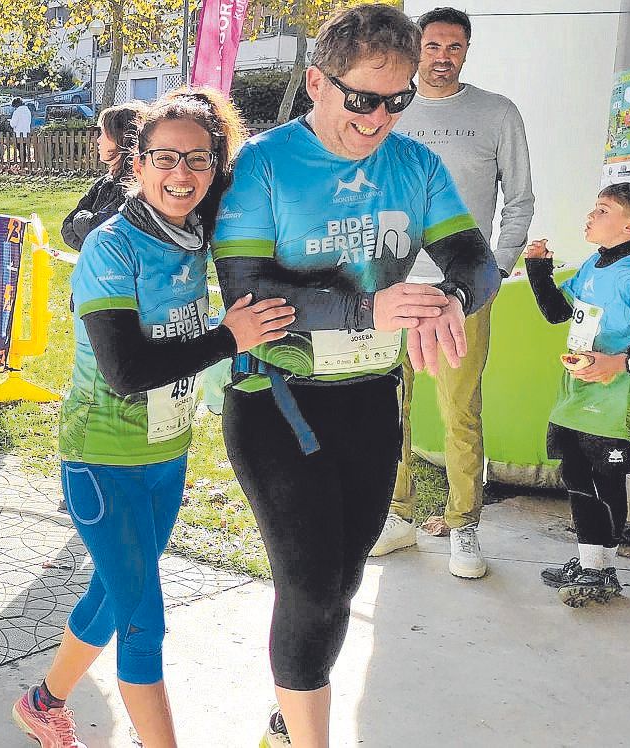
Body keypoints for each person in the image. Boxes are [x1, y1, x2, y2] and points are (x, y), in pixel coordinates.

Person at [210, 6, 501, 747]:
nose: (379, 118)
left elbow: (474, 258)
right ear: (317, 82)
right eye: (362, 99)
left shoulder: (414, 165)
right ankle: (305, 735)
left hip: (372, 403)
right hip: (275, 403)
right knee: (309, 584)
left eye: (398, 100)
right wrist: (364, 307)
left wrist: (453, 300)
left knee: (338, 583)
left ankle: (288, 708)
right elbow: (245, 291)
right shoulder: (265, 165)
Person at [11, 90, 294, 748]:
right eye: (163, 157)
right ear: (134, 164)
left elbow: (268, 172)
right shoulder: (112, 248)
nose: (180, 174)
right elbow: (126, 371)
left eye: (197, 159)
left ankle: (42, 701)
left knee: (114, 595)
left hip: (166, 458)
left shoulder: (198, 229)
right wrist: (230, 337)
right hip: (101, 462)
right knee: (142, 621)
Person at [372, 5, 536, 579]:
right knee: (388, 406)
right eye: (433, 46)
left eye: (454, 48)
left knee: (459, 410)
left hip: (459, 291)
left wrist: (491, 272)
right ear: (417, 48)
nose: (442, 57)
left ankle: (464, 524)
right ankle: (398, 515)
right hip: (389, 290)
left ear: (466, 51)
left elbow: (519, 201)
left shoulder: (495, 113)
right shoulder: (386, 109)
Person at [524, 183, 630, 607]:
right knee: (576, 477)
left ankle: (604, 570)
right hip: (577, 393)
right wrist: (538, 269)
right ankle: (588, 561)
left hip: (616, 402)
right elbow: (557, 312)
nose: (591, 215)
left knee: (604, 482)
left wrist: (620, 363)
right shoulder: (594, 265)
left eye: (603, 209)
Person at [60, 103, 144, 251]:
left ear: (122, 138)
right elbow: (67, 227)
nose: (98, 140)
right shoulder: (105, 182)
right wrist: (93, 246)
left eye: (104, 134)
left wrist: (82, 223)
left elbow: (97, 230)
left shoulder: (132, 188)